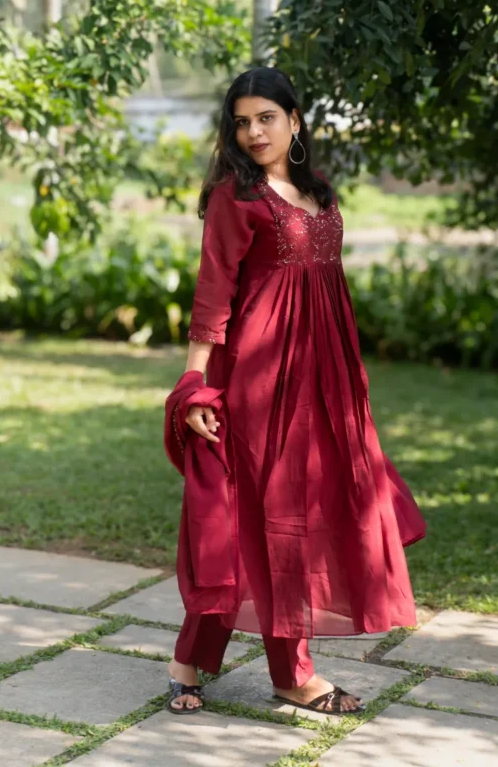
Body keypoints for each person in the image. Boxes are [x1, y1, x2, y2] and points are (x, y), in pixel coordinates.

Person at [165, 67, 426, 717]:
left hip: (325, 377)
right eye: (242, 122)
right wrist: (194, 385)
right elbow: (213, 293)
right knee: (262, 521)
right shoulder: (235, 197)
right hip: (259, 379)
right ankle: (290, 675)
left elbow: (327, 290)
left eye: (266, 118)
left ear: (295, 120)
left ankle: (191, 661)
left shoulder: (319, 193)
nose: (253, 133)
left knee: (306, 514)